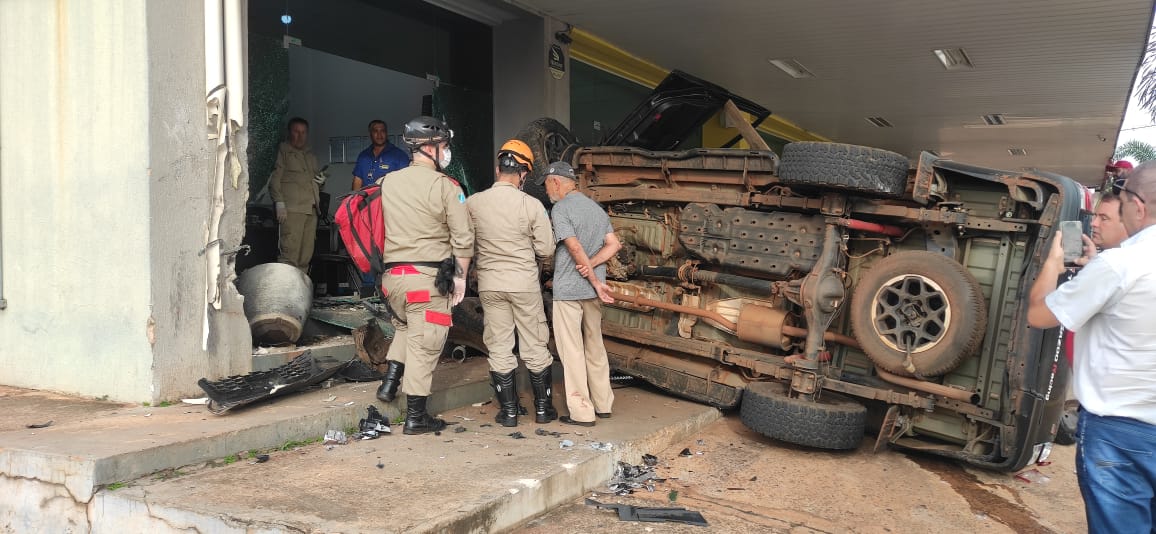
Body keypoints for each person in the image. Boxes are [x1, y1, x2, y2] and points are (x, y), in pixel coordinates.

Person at [1027, 162, 1156, 532]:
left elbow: (1038, 315)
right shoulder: (1113, 267)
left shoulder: (1120, 265)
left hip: (1120, 434)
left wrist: (1053, 261)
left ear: (1139, 207)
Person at [374, 116, 473, 435]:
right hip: (426, 282)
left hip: (393, 282)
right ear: (429, 148)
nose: (446, 152)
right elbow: (463, 238)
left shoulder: (388, 182)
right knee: (426, 343)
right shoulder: (447, 187)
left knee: (405, 328)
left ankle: (389, 386)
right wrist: (460, 278)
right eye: (444, 146)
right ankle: (416, 417)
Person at [466, 140, 557, 427]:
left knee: (499, 345)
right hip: (524, 285)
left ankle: (508, 412)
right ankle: (543, 410)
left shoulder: (473, 203)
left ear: (497, 169)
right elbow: (546, 249)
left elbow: (464, 244)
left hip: (490, 285)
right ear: (524, 174)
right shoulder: (531, 205)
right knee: (534, 342)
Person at [537, 161, 621, 427]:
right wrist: (594, 265)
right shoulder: (595, 209)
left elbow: (572, 247)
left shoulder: (560, 208)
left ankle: (582, 412)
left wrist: (590, 273)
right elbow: (614, 244)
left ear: (557, 182)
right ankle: (603, 404)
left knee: (571, 350)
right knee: (595, 345)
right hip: (593, 292)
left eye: (547, 184)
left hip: (570, 290)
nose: (547, 191)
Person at [268, 117, 325, 272]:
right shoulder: (282, 151)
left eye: (303, 132)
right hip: (292, 211)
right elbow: (274, 179)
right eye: (296, 132)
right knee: (289, 256)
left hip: (311, 211)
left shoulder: (310, 156)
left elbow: (313, 182)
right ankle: (287, 295)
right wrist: (279, 202)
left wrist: (321, 182)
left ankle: (300, 294)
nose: (300, 136)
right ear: (289, 132)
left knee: (305, 257)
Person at [352, 120, 410, 191]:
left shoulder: (399, 155)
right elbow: (358, 180)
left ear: (386, 133)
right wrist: (354, 200)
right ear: (370, 134)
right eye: (375, 131)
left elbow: (406, 182)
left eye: (382, 131)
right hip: (367, 200)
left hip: (389, 200)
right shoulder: (363, 156)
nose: (379, 135)